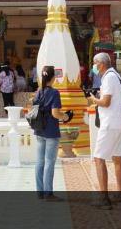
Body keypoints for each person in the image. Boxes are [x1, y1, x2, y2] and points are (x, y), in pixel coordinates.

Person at [87, 52, 121, 209]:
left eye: (94, 63)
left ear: (101, 64)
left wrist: (93, 99)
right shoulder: (116, 76)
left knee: (99, 158)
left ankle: (103, 198)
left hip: (109, 123)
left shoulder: (109, 77)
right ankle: (120, 195)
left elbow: (105, 102)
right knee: (117, 157)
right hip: (118, 122)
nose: (94, 66)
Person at [32, 66, 72, 201]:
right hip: (51, 132)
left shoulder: (38, 91)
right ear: (53, 78)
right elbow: (55, 113)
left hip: (39, 130)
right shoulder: (54, 93)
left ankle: (40, 192)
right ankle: (48, 193)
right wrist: (66, 117)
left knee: (39, 162)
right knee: (49, 162)